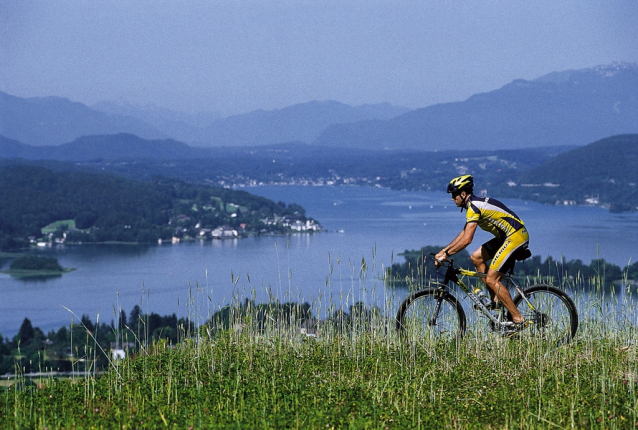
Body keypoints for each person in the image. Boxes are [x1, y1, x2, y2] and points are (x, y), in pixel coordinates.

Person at [434, 175, 530, 333]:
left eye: (454, 194)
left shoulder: (475, 206)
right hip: (506, 237)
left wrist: (446, 255)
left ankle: (518, 319)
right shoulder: (473, 205)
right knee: (476, 257)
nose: (452, 198)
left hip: (516, 237)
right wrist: (444, 251)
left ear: (463, 194)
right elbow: (463, 233)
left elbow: (467, 240)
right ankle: (496, 301)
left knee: (492, 279)